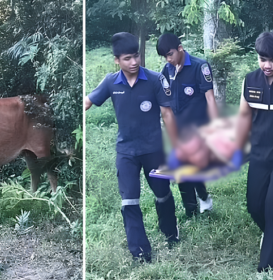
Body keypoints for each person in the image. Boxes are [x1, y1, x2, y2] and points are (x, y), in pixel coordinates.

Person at [85, 32, 179, 263]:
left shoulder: (155, 79)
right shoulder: (110, 82)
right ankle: (140, 252)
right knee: (129, 201)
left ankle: (170, 232)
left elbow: (167, 114)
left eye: (136, 56)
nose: (134, 62)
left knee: (163, 195)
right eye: (127, 58)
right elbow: (87, 101)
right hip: (126, 152)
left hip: (154, 150)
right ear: (117, 60)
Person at [235, 31, 273, 272]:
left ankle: (265, 268)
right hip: (259, 155)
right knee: (255, 206)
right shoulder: (250, 81)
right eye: (262, 59)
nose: (267, 65)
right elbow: (244, 118)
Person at [156, 33, 218, 216]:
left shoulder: (200, 66)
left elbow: (210, 99)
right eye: (165, 56)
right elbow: (162, 99)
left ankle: (204, 198)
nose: (168, 59)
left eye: (170, 54)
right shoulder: (167, 70)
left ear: (180, 49)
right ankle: (191, 210)